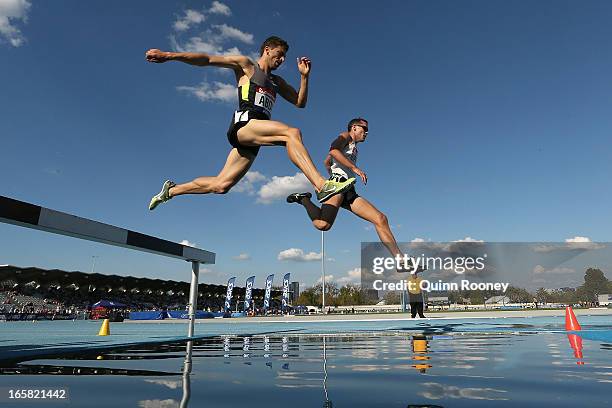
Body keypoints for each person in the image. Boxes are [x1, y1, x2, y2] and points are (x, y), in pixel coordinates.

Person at [145, 36, 355, 210]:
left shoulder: (277, 82)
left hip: (256, 135)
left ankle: (171, 190)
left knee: (221, 185)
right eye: (279, 54)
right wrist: (169, 56)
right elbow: (207, 59)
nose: (282, 60)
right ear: (267, 49)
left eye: (284, 57)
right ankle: (321, 185)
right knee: (292, 133)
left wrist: (304, 77)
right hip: (245, 124)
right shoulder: (247, 65)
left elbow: (300, 103)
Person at [286, 117, 423, 272]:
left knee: (381, 219)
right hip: (337, 187)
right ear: (354, 128)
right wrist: (353, 169)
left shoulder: (354, 147)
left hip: (349, 190)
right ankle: (304, 199)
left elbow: (327, 161)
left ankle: (400, 260)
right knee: (322, 224)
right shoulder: (345, 136)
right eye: (364, 129)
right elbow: (333, 150)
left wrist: (332, 169)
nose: (366, 133)